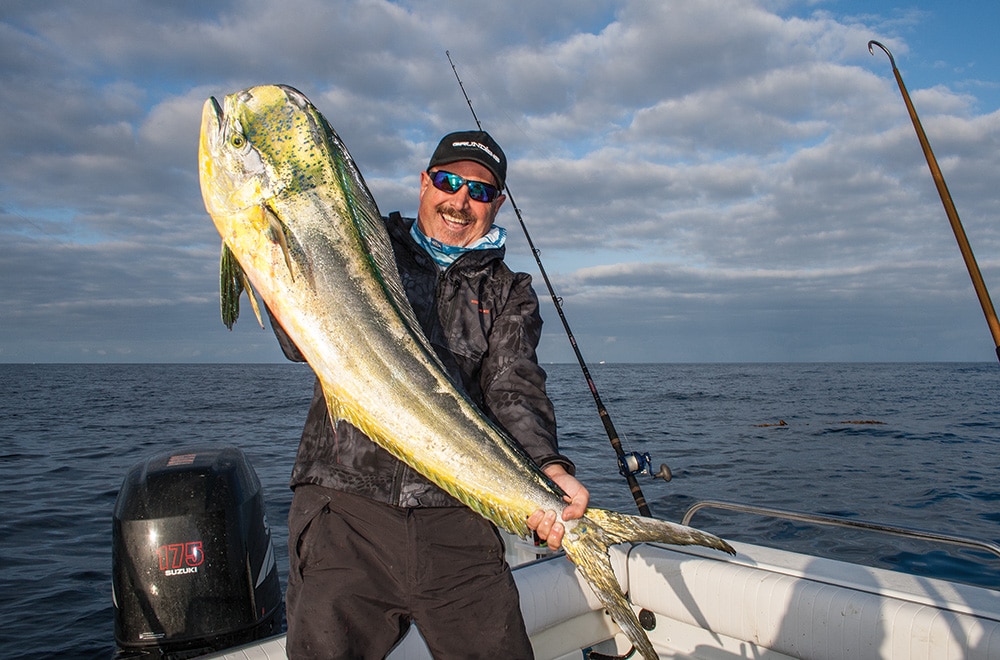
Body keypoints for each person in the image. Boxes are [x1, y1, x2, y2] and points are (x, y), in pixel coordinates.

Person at [269, 130, 589, 659]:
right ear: (424, 182)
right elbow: (296, 337)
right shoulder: (368, 247)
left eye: (480, 191)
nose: (460, 201)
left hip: (457, 517)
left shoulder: (509, 290)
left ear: (498, 203)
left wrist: (548, 468)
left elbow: (514, 386)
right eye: (448, 182)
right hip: (346, 510)